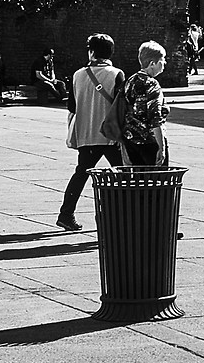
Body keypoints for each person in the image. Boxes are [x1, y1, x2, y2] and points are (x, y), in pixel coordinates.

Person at [55, 34, 125, 231]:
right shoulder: (116, 74)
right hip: (111, 136)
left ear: (92, 52)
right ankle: (122, 213)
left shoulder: (78, 75)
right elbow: (122, 106)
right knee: (126, 174)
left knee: (81, 173)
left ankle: (66, 214)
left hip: (87, 134)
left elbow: (72, 107)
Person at [120, 41, 167, 168]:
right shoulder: (152, 84)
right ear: (152, 63)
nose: (165, 63)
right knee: (158, 182)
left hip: (130, 138)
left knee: (138, 182)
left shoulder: (130, 81)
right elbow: (155, 117)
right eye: (162, 59)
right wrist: (161, 147)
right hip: (149, 140)